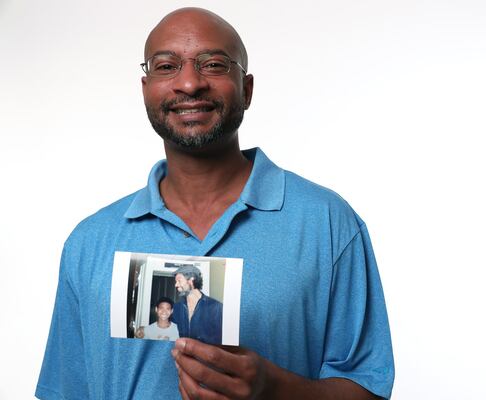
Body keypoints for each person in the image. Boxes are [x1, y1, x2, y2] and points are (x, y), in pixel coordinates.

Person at [36, 7, 394, 400]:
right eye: (167, 65)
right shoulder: (90, 242)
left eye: (214, 64)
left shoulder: (327, 223)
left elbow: (368, 388)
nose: (189, 83)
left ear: (247, 88)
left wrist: (273, 389)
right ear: (145, 88)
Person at [171, 265, 223, 344]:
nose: (176, 285)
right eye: (176, 282)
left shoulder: (215, 307)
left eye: (179, 280)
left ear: (191, 280)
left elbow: (220, 339)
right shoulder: (177, 307)